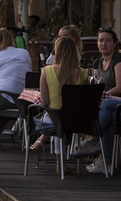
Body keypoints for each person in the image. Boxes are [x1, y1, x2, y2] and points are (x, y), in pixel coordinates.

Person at [31, 37, 88, 174]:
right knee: (59, 117)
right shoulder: (83, 73)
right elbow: (85, 99)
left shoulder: (47, 71)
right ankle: (62, 164)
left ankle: (59, 164)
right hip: (76, 122)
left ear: (57, 52)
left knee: (53, 115)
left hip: (54, 120)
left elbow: (44, 102)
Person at [86, 27, 121, 174]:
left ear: (115, 44)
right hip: (106, 108)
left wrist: (104, 95)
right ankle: (106, 163)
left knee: (107, 104)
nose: (104, 44)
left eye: (108, 41)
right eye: (101, 40)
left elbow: (120, 87)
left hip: (119, 103)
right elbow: (95, 85)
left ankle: (93, 139)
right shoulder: (97, 63)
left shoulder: (117, 60)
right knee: (109, 119)